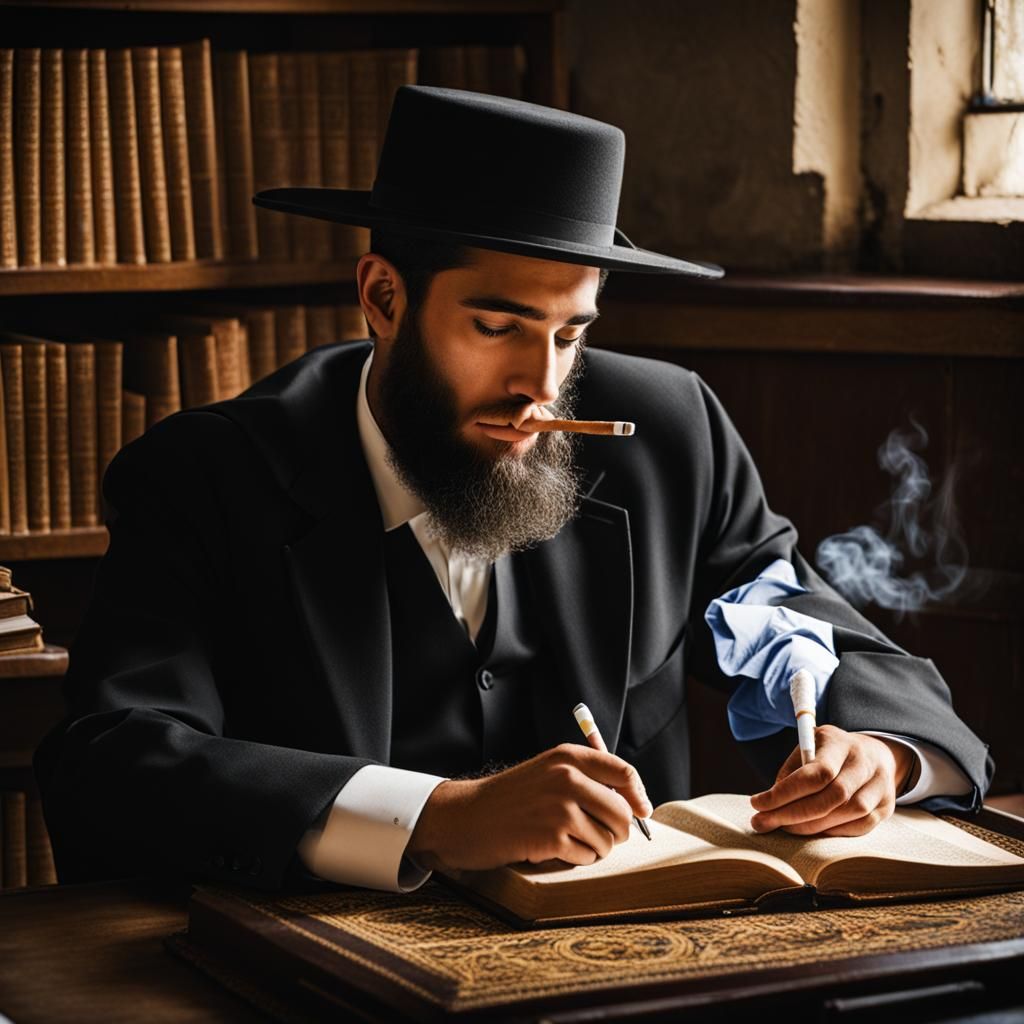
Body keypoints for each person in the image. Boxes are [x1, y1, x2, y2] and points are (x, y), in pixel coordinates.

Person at [35, 87, 990, 893]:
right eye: (497, 327)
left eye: (571, 333)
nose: (542, 384)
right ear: (383, 298)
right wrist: (434, 816)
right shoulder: (206, 477)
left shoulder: (667, 435)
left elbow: (802, 623)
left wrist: (883, 755)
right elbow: (111, 763)